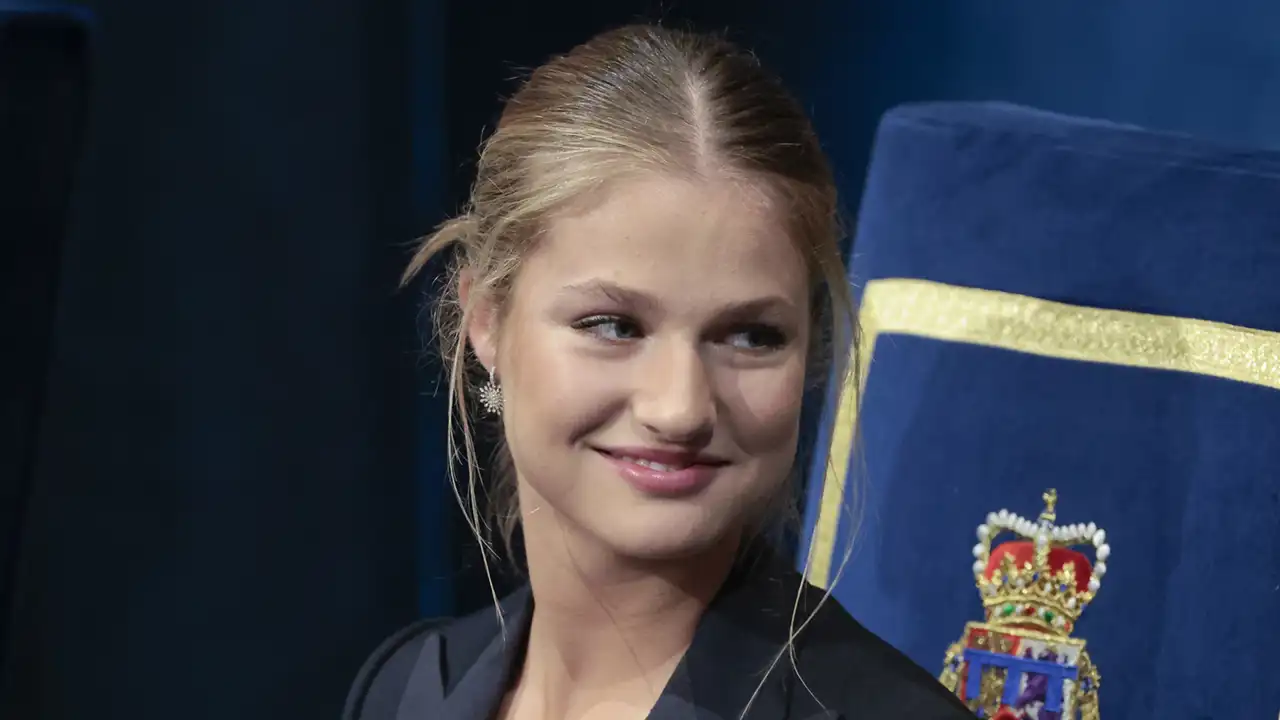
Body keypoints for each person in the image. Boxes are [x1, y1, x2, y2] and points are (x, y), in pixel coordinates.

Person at [344, 24, 975, 720]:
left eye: (749, 336)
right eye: (613, 326)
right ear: (486, 322)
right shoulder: (403, 690)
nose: (679, 409)